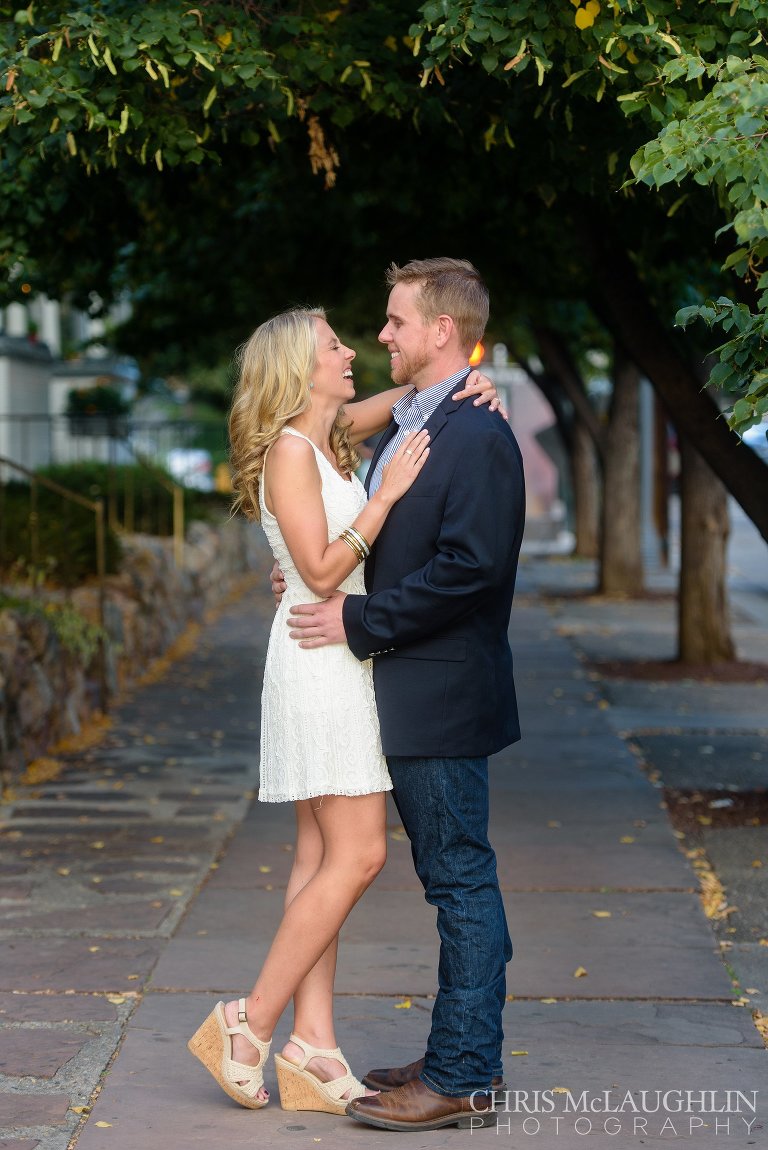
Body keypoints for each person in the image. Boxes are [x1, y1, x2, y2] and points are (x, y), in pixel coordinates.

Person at [187, 305, 503, 1117]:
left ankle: (314, 1045)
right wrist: (385, 496)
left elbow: (414, 400)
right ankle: (247, 1021)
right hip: (320, 661)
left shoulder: (325, 434)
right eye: (334, 345)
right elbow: (325, 572)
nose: (354, 349)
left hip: (338, 656)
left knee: (315, 858)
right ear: (303, 368)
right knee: (358, 856)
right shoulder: (293, 451)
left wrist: (476, 382)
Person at [285, 258, 526, 1132]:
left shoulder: (477, 434)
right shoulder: (432, 416)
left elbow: (469, 570)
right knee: (450, 879)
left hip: (444, 693)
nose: (381, 334)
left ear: (440, 331)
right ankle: (460, 1052)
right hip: (418, 689)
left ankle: (462, 1075)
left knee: (459, 881)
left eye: (394, 322)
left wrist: (358, 618)